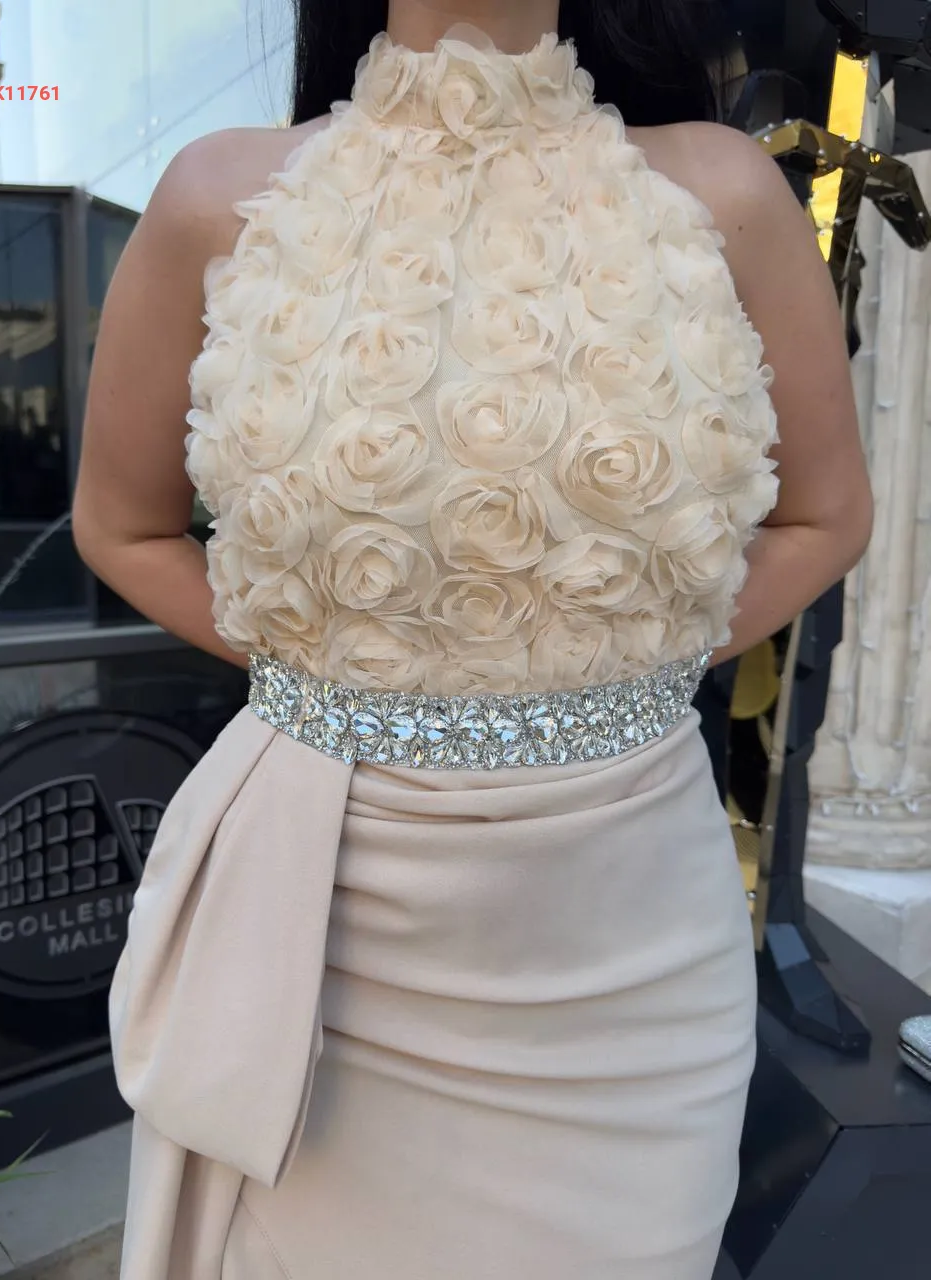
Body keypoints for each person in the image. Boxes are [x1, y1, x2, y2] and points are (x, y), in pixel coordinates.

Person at [72, 1, 873, 1276]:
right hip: (332, 931)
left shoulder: (722, 190)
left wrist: (614, 651)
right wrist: (352, 664)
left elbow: (826, 516)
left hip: (628, 962)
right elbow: (120, 527)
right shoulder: (216, 195)